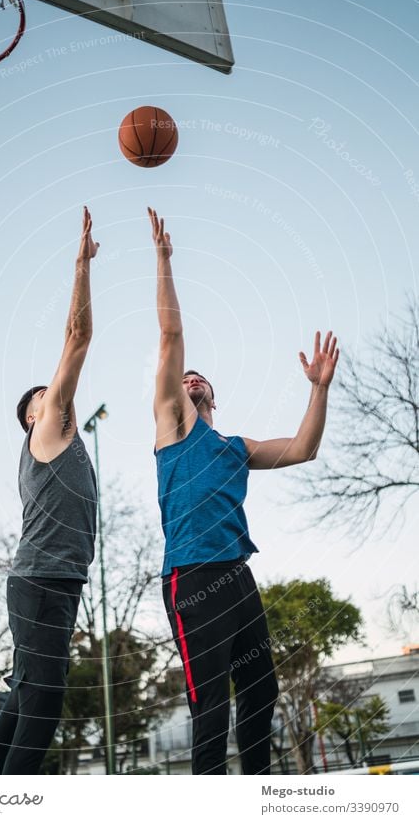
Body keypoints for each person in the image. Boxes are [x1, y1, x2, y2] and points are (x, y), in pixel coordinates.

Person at [148, 207, 339, 775]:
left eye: (196, 377)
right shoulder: (171, 427)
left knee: (263, 691)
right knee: (211, 709)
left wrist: (319, 390)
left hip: (237, 574)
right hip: (192, 576)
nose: (188, 379)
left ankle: (257, 793)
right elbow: (171, 335)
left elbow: (304, 447)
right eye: (182, 379)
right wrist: (164, 260)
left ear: (213, 393)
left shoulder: (235, 446)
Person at [0, 207, 99, 775]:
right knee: (45, 702)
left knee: (26, 698)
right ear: (34, 415)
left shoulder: (63, 440)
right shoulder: (47, 430)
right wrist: (80, 265)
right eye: (45, 395)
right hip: (42, 584)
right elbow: (77, 336)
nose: (55, 395)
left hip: (51, 583)